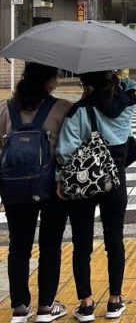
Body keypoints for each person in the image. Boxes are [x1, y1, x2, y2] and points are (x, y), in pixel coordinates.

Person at [57, 71, 136, 322]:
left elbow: (65, 150)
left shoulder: (81, 110)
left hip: (83, 183)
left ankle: (86, 303)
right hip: (115, 182)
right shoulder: (126, 106)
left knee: (82, 243)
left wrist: (60, 178)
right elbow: (129, 86)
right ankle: (115, 301)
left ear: (88, 86)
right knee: (115, 240)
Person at [1, 63, 73, 323]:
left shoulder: (5, 108)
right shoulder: (63, 108)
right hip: (52, 187)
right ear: (50, 81)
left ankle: (19, 308)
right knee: (50, 246)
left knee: (18, 246)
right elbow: (70, 147)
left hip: (14, 187)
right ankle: (46, 306)